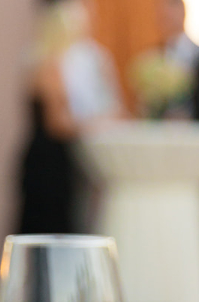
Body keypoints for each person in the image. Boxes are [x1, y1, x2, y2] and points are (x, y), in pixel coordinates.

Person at [17, 0, 123, 235]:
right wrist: (94, 124)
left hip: (60, 160)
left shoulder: (68, 62)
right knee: (47, 227)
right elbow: (57, 123)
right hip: (47, 162)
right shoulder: (48, 65)